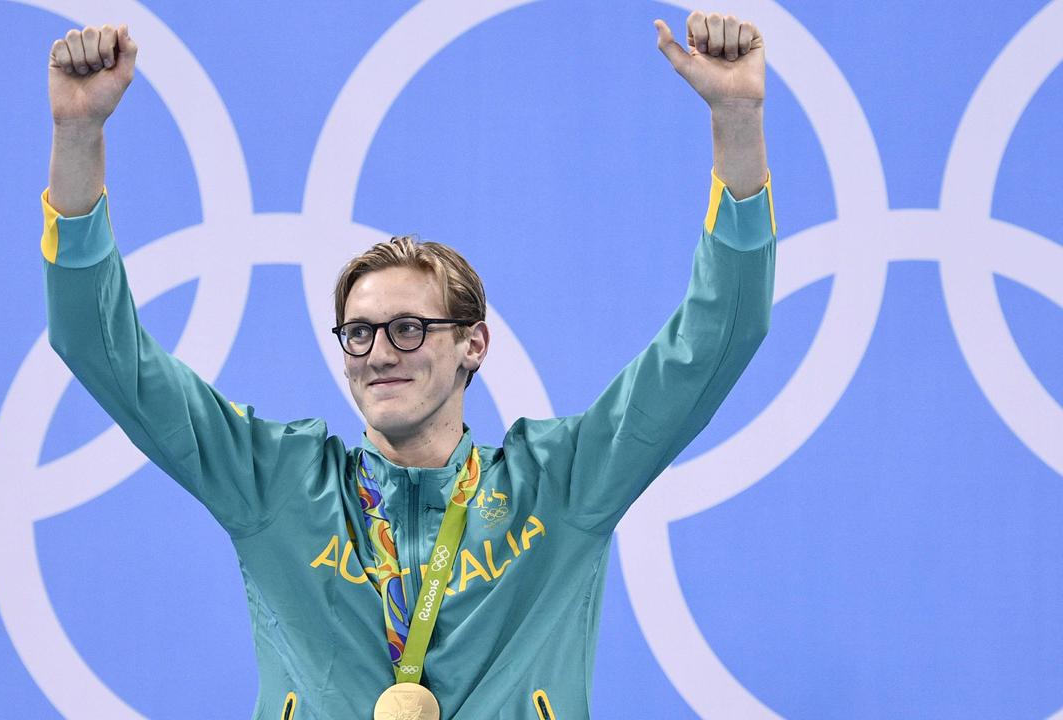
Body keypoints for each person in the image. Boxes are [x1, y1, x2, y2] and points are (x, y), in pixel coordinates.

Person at [42, 10, 774, 720]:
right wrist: (78, 133)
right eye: (357, 334)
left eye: (407, 327)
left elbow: (715, 339)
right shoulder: (275, 483)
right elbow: (100, 348)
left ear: (473, 346)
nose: (379, 352)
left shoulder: (562, 483)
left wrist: (736, 122)